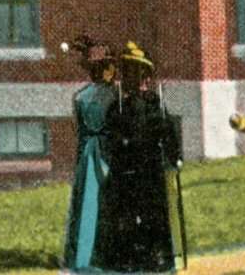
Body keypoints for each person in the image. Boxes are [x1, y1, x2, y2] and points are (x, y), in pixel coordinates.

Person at [98, 40, 182, 272]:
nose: (137, 79)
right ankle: (125, 258)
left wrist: (175, 158)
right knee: (124, 214)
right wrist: (119, 147)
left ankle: (157, 256)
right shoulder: (118, 107)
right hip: (125, 169)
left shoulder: (155, 104)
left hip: (150, 168)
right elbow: (109, 137)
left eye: (141, 73)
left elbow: (167, 131)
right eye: (131, 73)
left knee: (154, 212)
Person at [63, 36, 118, 273]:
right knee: (107, 202)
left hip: (87, 152)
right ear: (105, 70)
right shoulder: (114, 96)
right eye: (109, 67)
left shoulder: (80, 97)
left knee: (86, 202)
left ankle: (81, 255)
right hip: (106, 150)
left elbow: (79, 129)